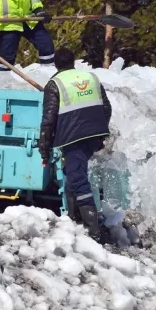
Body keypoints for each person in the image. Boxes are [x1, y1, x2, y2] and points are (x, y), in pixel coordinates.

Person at [38, 48, 112, 243]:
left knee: (77, 178)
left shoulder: (54, 84)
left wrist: (44, 149)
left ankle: (93, 231)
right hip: (94, 134)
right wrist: (99, 131)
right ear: (73, 62)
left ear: (56, 64)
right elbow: (107, 108)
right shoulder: (90, 77)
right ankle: (74, 219)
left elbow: (48, 120)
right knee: (72, 173)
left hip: (73, 138)